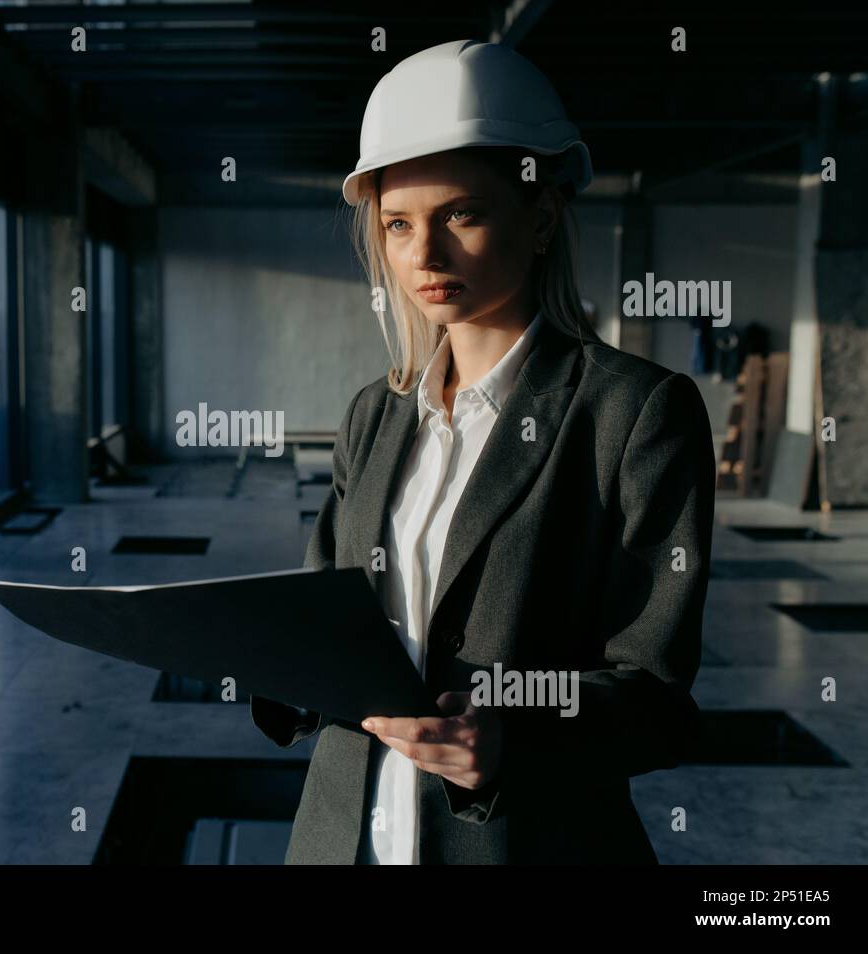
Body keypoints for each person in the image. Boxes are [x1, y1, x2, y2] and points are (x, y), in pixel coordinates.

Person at [249, 39, 715, 865]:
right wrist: (258, 652)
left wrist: (509, 743)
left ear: (540, 217)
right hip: (342, 839)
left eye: (460, 214)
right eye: (398, 224)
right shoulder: (376, 413)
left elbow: (658, 699)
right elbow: (328, 619)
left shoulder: (635, 413)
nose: (423, 255)